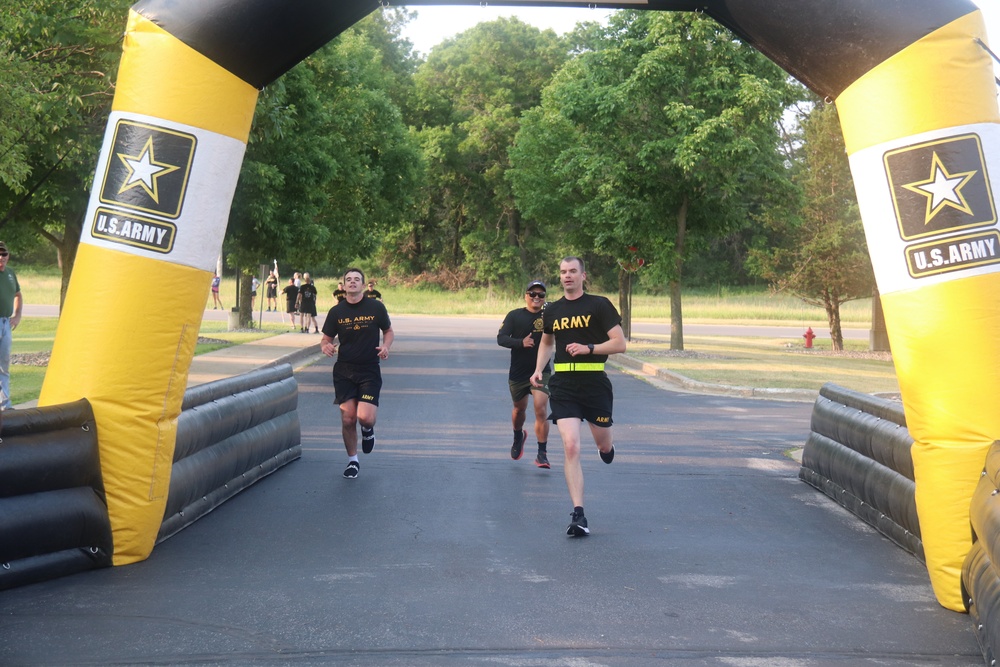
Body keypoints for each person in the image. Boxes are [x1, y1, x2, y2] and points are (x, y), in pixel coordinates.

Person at [531, 256, 626, 537]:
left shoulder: (599, 305)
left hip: (595, 384)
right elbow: (547, 341)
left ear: (584, 276)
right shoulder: (552, 310)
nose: (567, 276)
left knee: (603, 443)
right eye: (563, 272)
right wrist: (538, 369)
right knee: (571, 446)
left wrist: (589, 347)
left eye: (573, 271)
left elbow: (620, 343)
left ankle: (607, 449)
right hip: (564, 385)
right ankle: (579, 515)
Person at [321, 268, 394, 479]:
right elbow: (326, 338)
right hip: (344, 370)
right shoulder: (336, 312)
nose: (353, 282)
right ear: (343, 286)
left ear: (363, 285)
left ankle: (368, 431)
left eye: (357, 279)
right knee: (348, 419)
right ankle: (353, 461)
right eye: (349, 280)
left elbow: (388, 331)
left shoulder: (376, 307)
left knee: (365, 418)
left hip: (369, 370)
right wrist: (325, 346)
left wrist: (386, 346)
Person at [497, 280, 551, 468]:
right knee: (519, 410)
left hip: (541, 372)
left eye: (541, 295)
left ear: (545, 298)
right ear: (525, 296)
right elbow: (501, 338)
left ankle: (542, 453)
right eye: (532, 294)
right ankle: (518, 435)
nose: (536, 297)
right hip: (518, 373)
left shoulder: (549, 316)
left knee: (541, 409)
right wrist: (521, 343)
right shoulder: (514, 316)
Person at [0, 242, 22, 410]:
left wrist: (18, 315)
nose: (1, 257)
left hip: (6, 323)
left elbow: (17, 294)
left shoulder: (10, 274)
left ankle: (5, 406)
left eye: (4, 254)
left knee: (4, 366)